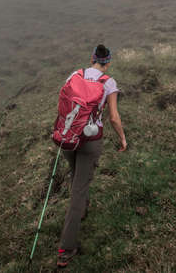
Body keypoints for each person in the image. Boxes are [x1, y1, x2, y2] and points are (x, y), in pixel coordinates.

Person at [57, 44, 127, 268]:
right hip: (90, 140)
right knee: (79, 190)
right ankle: (66, 250)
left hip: (68, 137)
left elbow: (63, 104)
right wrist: (123, 139)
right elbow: (114, 118)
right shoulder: (109, 83)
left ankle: (82, 209)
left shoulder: (75, 74)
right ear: (109, 62)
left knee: (76, 174)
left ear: (92, 59)